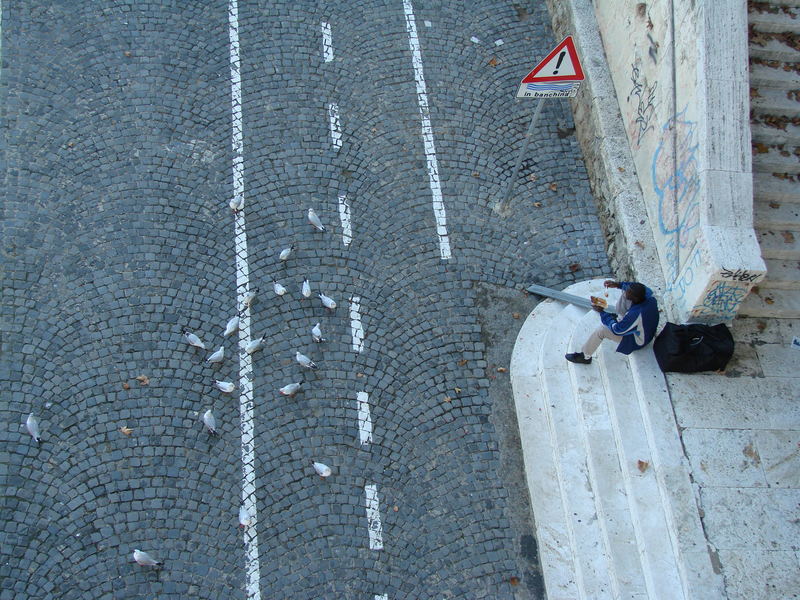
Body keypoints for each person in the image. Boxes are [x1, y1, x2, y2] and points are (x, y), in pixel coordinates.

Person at [565, 280, 659, 365]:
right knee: (624, 295)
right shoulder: (648, 295)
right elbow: (631, 287)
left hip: (638, 340)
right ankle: (620, 318)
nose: (627, 291)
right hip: (646, 328)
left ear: (636, 299)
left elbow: (617, 330)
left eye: (629, 292)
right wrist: (618, 284)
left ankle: (585, 357)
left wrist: (602, 312)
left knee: (601, 330)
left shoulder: (635, 314)